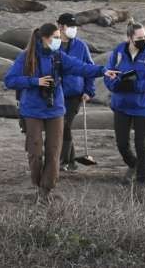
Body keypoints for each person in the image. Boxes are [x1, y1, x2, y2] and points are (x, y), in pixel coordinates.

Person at [4, 23, 118, 203]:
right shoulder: (26, 57)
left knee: (54, 151)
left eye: (59, 37)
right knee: (35, 151)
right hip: (32, 109)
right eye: (55, 38)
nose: (59, 40)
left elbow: (80, 67)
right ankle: (37, 181)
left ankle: (45, 190)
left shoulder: (58, 57)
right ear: (44, 38)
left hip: (55, 109)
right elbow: (9, 80)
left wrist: (103, 71)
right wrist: (35, 82)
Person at [103, 21, 145, 186]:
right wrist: (117, 85)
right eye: (139, 37)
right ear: (129, 38)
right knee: (122, 144)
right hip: (121, 105)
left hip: (142, 106)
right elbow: (108, 75)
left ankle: (142, 179)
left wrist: (136, 86)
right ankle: (133, 164)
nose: (143, 40)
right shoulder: (118, 52)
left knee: (141, 144)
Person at [55, 12, 96, 172]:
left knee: (64, 125)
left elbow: (90, 68)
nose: (73, 29)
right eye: (69, 26)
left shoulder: (80, 46)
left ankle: (62, 161)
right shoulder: (53, 44)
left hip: (74, 93)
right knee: (62, 126)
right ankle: (71, 162)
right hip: (56, 93)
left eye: (74, 26)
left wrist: (89, 90)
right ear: (60, 26)